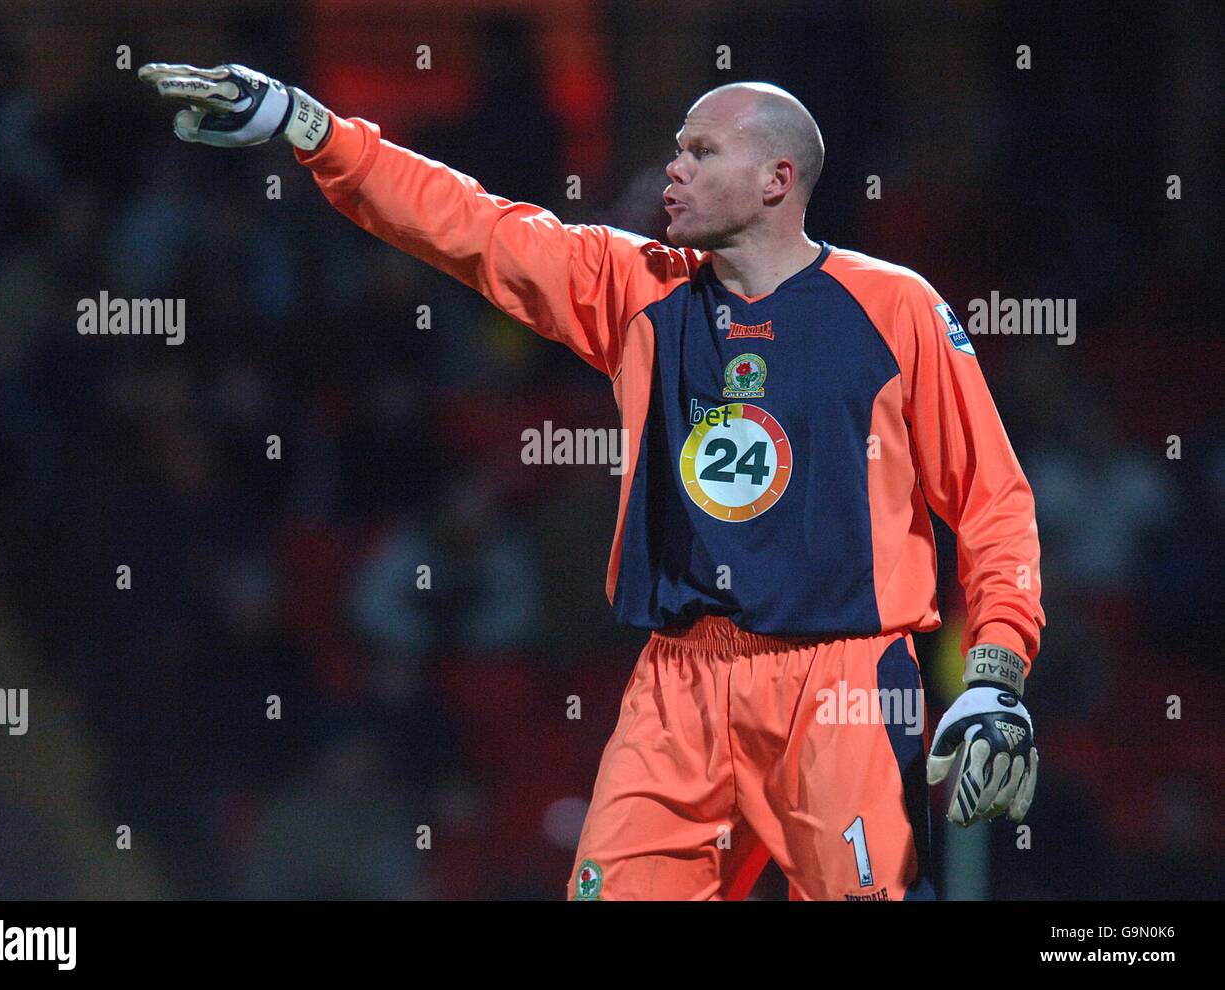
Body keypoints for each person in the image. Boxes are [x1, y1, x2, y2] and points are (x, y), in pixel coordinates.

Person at [139, 64, 1043, 901]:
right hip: (678, 683)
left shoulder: (894, 308)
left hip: (844, 680)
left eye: (700, 150)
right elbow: (471, 225)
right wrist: (313, 129)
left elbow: (991, 499)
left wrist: (996, 670)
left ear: (776, 179)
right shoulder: (638, 289)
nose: (672, 167)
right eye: (675, 147)